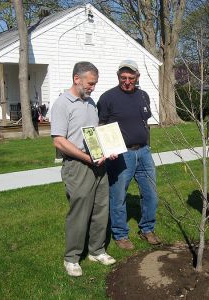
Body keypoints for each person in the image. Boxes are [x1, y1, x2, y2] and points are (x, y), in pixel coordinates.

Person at [51, 61, 116, 277]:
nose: (92, 87)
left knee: (100, 209)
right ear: (76, 79)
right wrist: (87, 158)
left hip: (98, 163)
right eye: (90, 83)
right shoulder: (63, 103)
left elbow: (94, 132)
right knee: (79, 213)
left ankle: (96, 250)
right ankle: (72, 258)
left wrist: (109, 149)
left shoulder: (90, 103)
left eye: (95, 84)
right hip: (78, 165)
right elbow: (59, 141)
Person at [97, 59, 161, 250]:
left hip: (144, 151)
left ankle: (147, 229)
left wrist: (146, 144)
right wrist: (108, 150)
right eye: (123, 77)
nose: (127, 81)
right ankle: (120, 234)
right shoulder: (108, 98)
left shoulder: (143, 96)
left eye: (131, 78)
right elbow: (101, 126)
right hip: (120, 154)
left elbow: (144, 121)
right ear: (118, 77)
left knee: (151, 194)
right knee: (118, 196)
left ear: (137, 77)